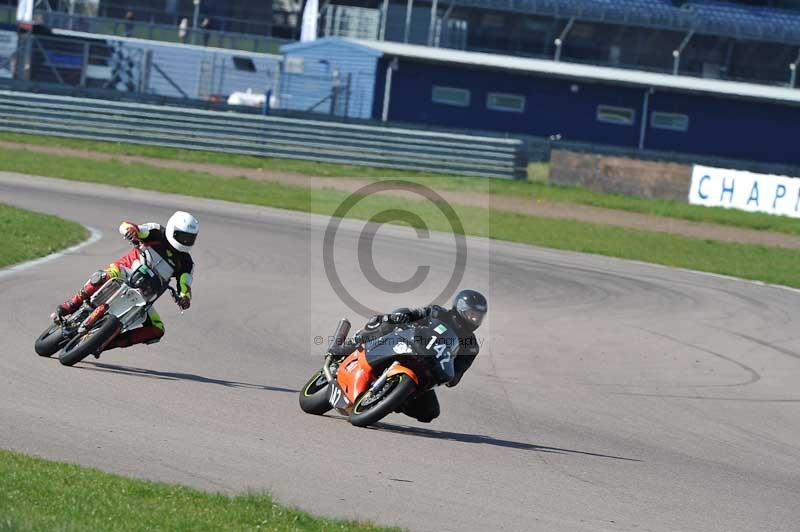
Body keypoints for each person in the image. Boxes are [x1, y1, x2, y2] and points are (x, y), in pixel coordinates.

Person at [329, 289, 487, 423]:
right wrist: (403, 317)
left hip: (427, 367)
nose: (474, 319)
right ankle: (347, 347)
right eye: (472, 314)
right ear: (460, 309)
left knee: (430, 412)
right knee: (388, 322)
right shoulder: (437, 312)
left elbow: (458, 372)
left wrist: (453, 377)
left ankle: (391, 399)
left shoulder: (471, 346)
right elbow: (414, 314)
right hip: (404, 343)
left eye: (478, 316)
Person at [52, 211, 198, 354]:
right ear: (172, 229)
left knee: (157, 329)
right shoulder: (156, 231)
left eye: (189, 238)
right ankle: (72, 303)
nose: (185, 241)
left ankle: (107, 342)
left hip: (145, 297)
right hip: (124, 272)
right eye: (182, 236)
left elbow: (185, 283)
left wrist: (184, 297)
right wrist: (130, 231)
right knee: (103, 276)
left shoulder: (187, 263)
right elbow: (129, 226)